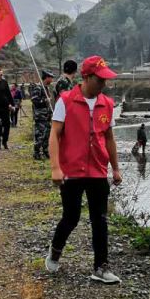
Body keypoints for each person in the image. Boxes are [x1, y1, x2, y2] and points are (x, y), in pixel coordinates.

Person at [46, 55, 123, 284]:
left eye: (105, 80)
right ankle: (56, 249)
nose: (103, 84)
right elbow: (54, 134)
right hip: (72, 170)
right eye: (99, 79)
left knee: (100, 219)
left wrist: (115, 169)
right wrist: (55, 168)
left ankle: (101, 267)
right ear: (86, 77)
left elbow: (109, 138)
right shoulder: (66, 100)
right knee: (71, 217)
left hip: (98, 170)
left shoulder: (107, 104)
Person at [31, 69, 54, 160]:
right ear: (46, 78)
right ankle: (36, 153)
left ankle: (45, 151)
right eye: (51, 78)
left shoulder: (46, 88)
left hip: (46, 116)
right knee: (40, 135)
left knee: (47, 135)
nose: (52, 80)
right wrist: (45, 100)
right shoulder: (38, 87)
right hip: (40, 116)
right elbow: (34, 100)